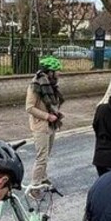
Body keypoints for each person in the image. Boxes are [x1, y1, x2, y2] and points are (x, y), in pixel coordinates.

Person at [26, 56, 64, 185]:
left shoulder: (51, 85)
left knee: (46, 155)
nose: (59, 73)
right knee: (41, 157)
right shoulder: (36, 85)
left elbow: (52, 103)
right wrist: (47, 116)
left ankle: (43, 178)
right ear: (50, 71)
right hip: (40, 126)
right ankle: (34, 185)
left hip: (51, 124)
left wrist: (55, 113)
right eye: (57, 70)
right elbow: (29, 108)